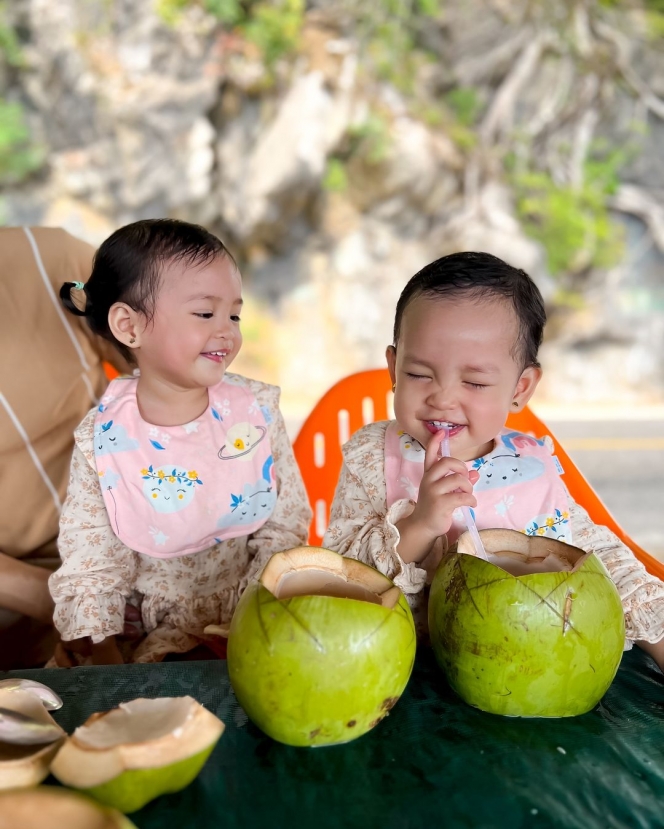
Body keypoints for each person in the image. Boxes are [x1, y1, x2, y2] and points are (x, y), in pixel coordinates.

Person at [322, 251, 664, 670]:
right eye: (418, 374)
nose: (443, 398)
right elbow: (340, 575)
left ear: (520, 387)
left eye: (475, 381)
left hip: (519, 664)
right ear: (393, 368)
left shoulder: (532, 467)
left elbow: (599, 562)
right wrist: (421, 524)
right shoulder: (372, 455)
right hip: (398, 668)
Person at [49, 219, 311, 664]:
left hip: (249, 615)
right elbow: (91, 556)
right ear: (129, 327)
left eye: (234, 314)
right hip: (142, 637)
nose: (227, 330)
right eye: (206, 313)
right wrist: (103, 646)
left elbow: (284, 525)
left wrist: (253, 615)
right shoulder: (105, 438)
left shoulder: (255, 411)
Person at [0, 226, 132, 670]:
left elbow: (173, 370)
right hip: (30, 597)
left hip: (113, 548)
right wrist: (57, 601)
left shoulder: (50, 260)